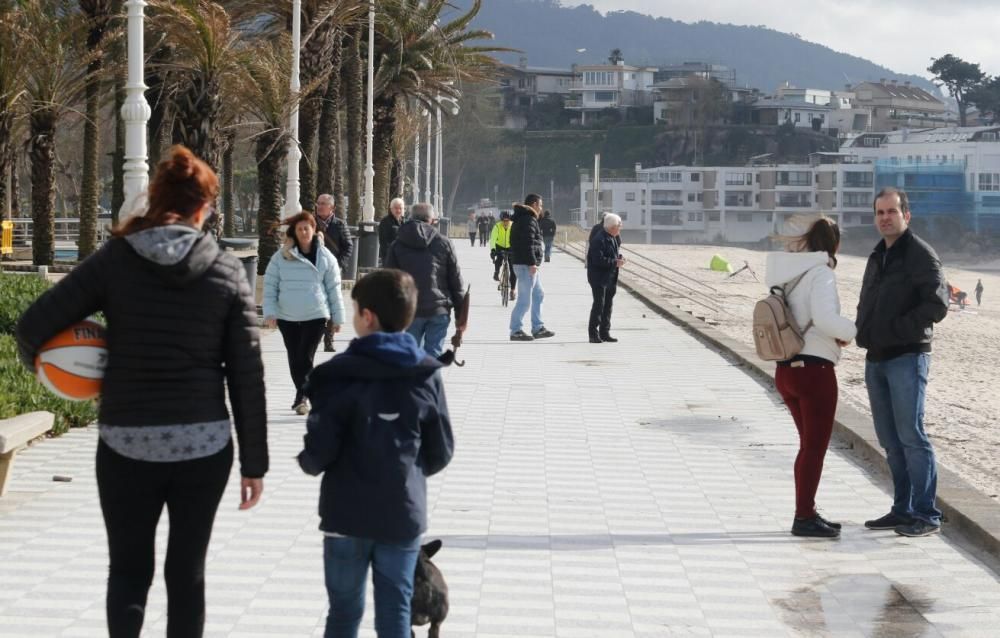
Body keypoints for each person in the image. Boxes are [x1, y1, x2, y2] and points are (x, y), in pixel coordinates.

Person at [15, 145, 267, 637]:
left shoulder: (117, 260)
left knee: (129, 574)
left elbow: (32, 327)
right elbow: (247, 375)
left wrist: (51, 373)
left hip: (125, 442)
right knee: (186, 576)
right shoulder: (226, 270)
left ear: (155, 201)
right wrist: (254, 464)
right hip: (204, 447)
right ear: (203, 208)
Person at [297, 269, 454, 638]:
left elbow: (318, 452)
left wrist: (308, 461)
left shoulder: (334, 375)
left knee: (344, 613)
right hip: (401, 514)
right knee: (395, 616)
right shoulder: (426, 373)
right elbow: (441, 450)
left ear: (368, 316)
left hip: (344, 516)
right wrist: (406, 471)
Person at [857, 187, 949, 538]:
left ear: (906, 215)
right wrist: (862, 331)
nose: (884, 218)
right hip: (875, 358)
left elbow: (937, 304)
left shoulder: (920, 254)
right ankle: (902, 509)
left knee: (912, 435)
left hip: (907, 357)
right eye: (879, 212)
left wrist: (897, 330)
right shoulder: (877, 255)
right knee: (890, 440)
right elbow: (868, 302)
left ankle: (927, 514)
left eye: (891, 212)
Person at [765, 217, 857, 538]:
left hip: (785, 369)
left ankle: (808, 509)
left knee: (807, 447)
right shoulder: (821, 274)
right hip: (814, 372)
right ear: (835, 245)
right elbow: (824, 318)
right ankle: (803, 516)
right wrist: (850, 331)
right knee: (814, 448)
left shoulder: (787, 275)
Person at [264, 212, 346, 415]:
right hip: (287, 316)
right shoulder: (280, 257)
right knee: (294, 357)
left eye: (306, 228)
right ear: (294, 231)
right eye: (299, 229)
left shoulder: (326, 257)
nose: (303, 232)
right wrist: (270, 313)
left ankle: (302, 397)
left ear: (314, 230)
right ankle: (304, 394)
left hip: (315, 315)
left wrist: (338, 318)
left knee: (305, 357)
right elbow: (270, 286)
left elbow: (334, 288)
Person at [383, 203, 465, 358]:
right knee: (433, 354)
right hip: (438, 309)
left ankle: (414, 381)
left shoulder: (397, 244)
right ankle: (429, 380)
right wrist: (460, 316)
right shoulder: (444, 242)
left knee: (410, 355)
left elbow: (389, 280)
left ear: (411, 218)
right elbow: (455, 281)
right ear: (432, 219)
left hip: (410, 310)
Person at [509, 193, 555, 341]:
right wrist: (532, 263)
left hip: (526, 263)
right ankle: (515, 330)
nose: (541, 208)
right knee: (524, 300)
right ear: (534, 204)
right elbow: (528, 242)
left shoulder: (525, 218)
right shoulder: (528, 219)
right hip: (526, 265)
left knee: (538, 294)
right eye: (540, 205)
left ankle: (537, 327)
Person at [315, 193, 353, 352]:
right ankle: (315, 336)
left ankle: (328, 340)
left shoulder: (339, 224)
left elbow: (348, 247)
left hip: (333, 271)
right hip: (313, 271)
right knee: (316, 304)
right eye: (319, 203)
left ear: (332, 207)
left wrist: (338, 265)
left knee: (331, 304)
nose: (320, 206)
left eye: (324, 203)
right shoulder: (309, 222)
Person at [587, 213, 625, 343]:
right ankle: (593, 334)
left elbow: (611, 253)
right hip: (598, 277)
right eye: (619, 226)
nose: (620, 228)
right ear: (612, 227)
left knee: (608, 305)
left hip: (610, 276)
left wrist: (618, 258)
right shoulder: (599, 239)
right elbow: (598, 260)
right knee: (599, 304)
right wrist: (614, 262)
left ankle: (605, 332)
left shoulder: (612, 237)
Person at [490, 210, 516, 296]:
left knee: (513, 270)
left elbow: (517, 238)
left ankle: (512, 290)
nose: (506, 222)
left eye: (507, 220)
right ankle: (496, 272)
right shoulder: (497, 226)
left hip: (510, 246)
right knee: (499, 260)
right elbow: (493, 239)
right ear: (501, 220)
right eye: (504, 220)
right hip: (499, 246)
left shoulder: (513, 226)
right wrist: (493, 250)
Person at [379, 197, 405, 264]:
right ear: (391, 209)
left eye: (400, 208)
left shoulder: (404, 221)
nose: (398, 210)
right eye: (396, 208)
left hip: (402, 256)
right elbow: (384, 242)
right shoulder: (385, 222)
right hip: (390, 257)